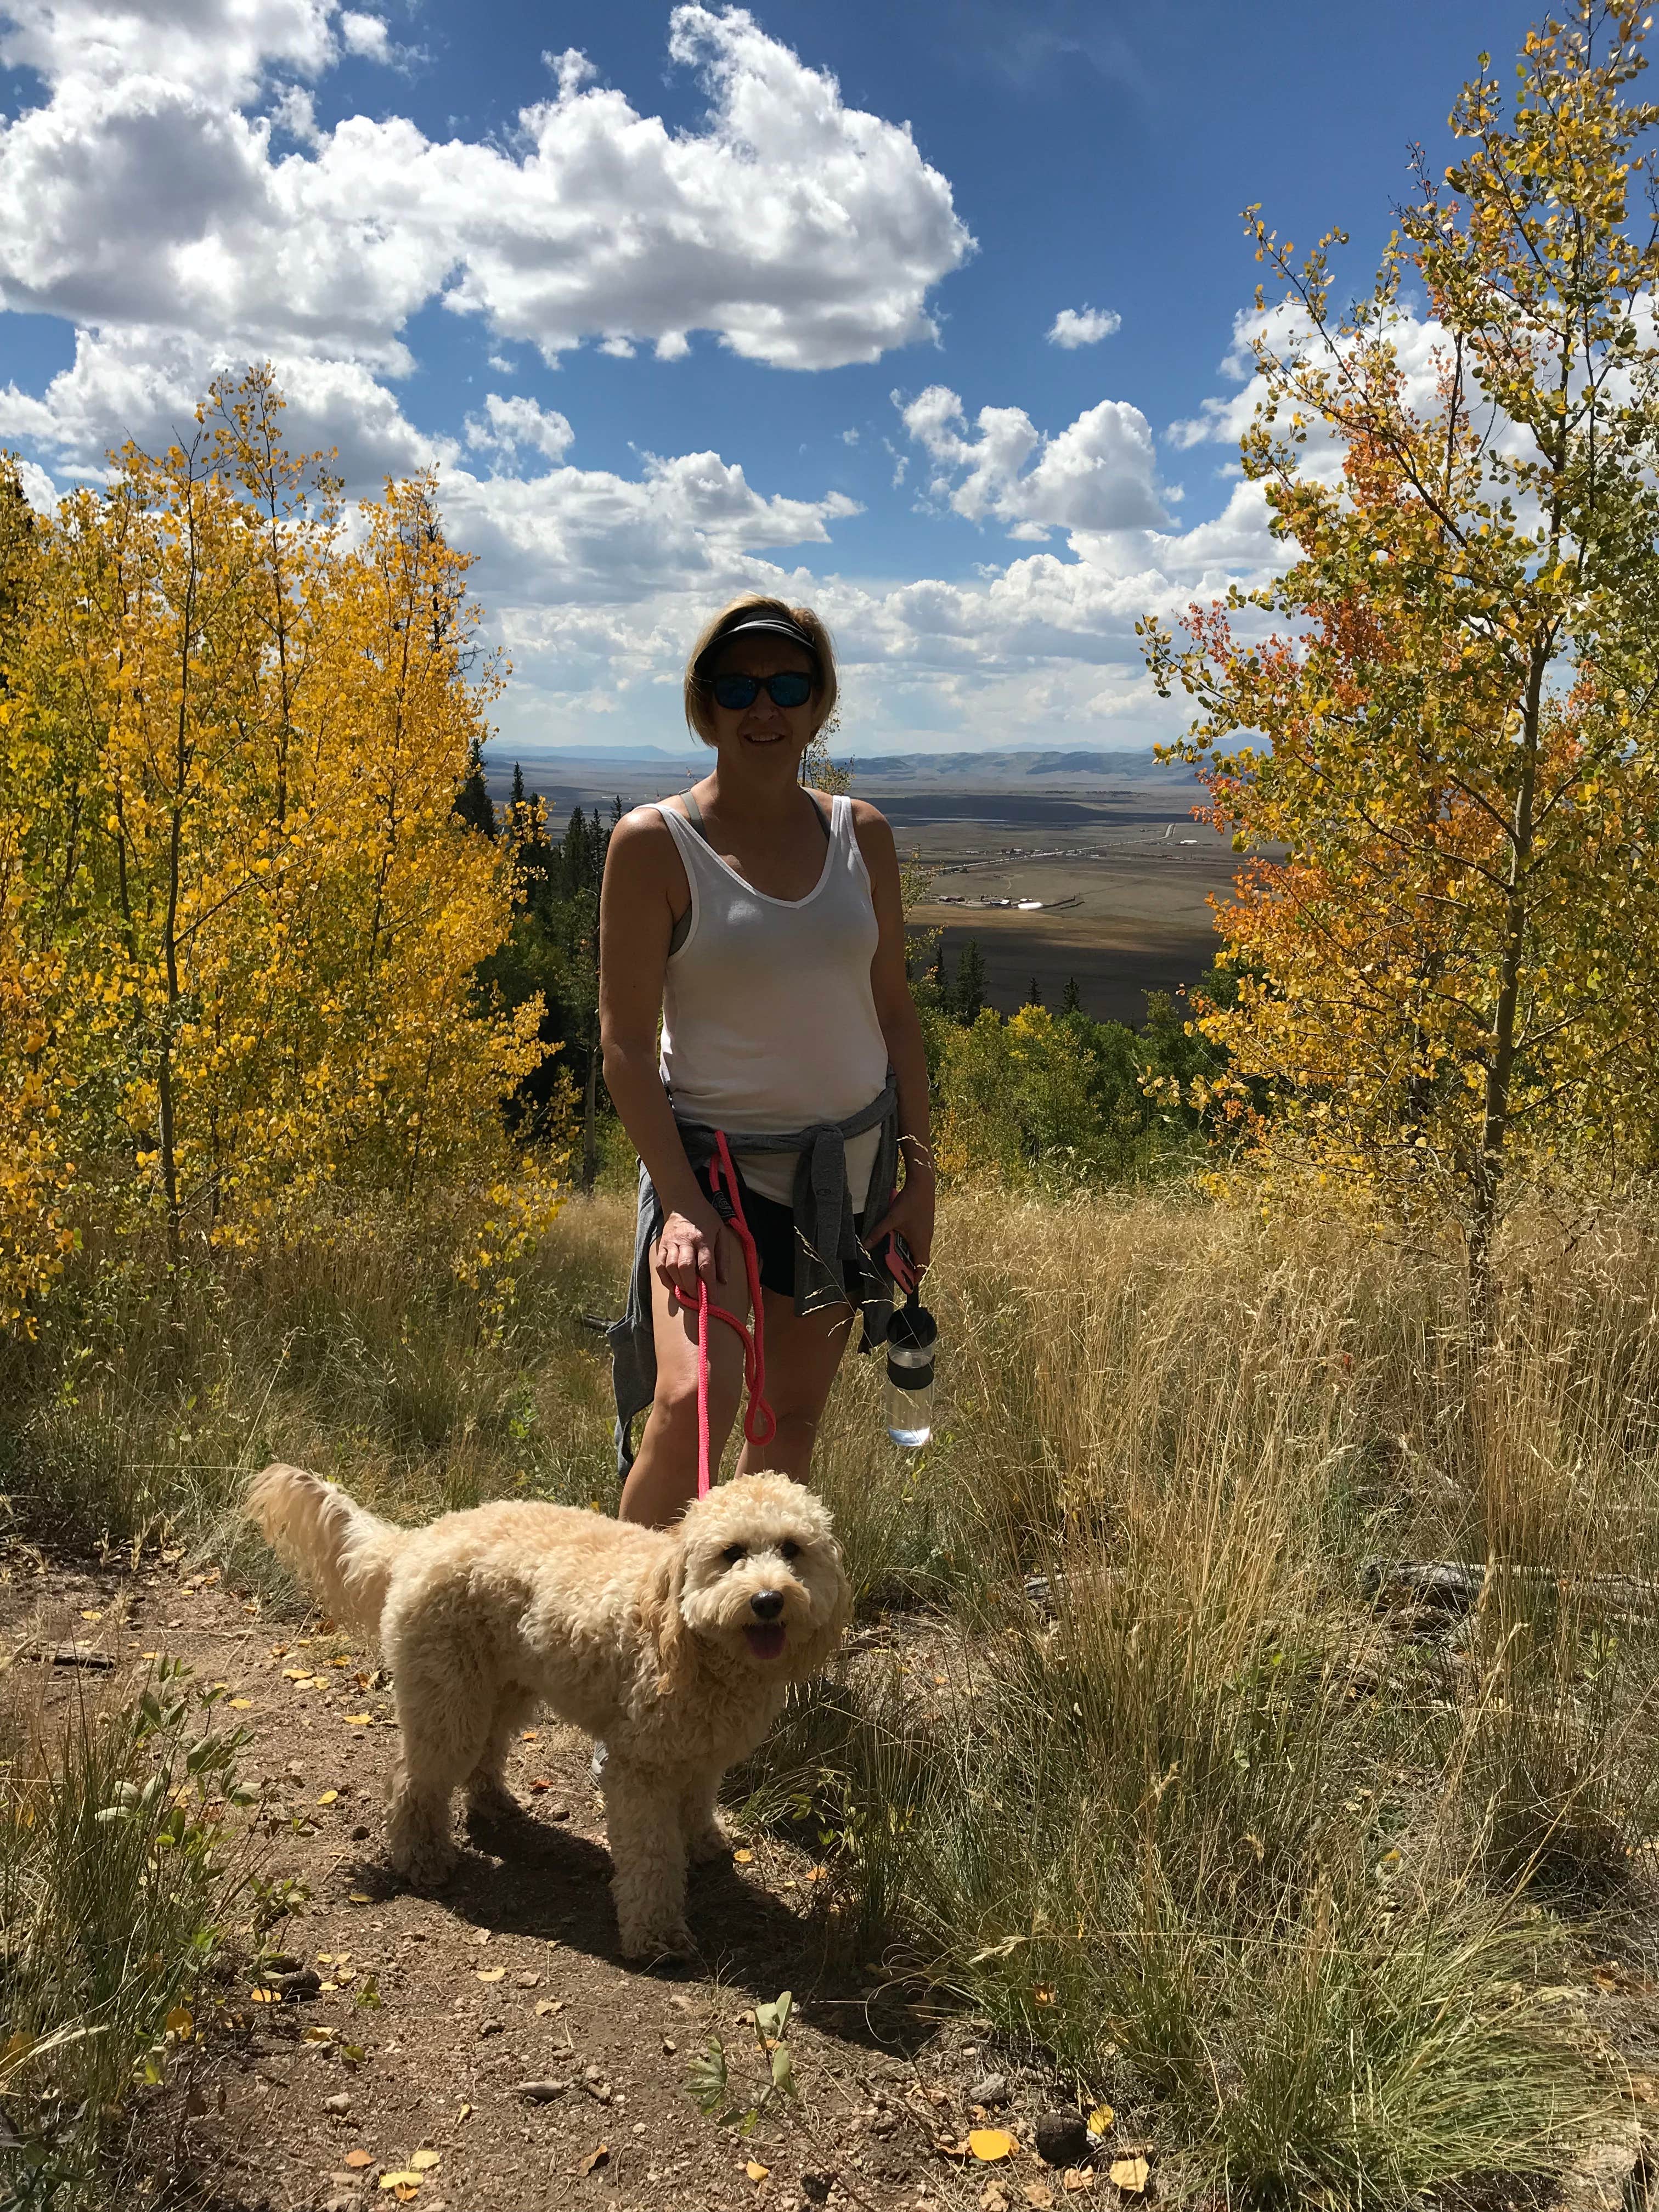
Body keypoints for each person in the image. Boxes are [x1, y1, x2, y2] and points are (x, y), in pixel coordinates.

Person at [601, 596, 935, 1528]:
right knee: (690, 1409)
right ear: (702, 702)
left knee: (789, 1418)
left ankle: (746, 1621)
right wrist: (680, 1204)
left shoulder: (862, 835)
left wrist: (921, 1175)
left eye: (789, 685)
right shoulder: (655, 844)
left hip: (845, 1178)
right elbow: (624, 1047)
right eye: (737, 686)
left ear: (819, 703)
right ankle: (621, 1616)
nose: (764, 707)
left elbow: (895, 1014)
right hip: (713, 1174)